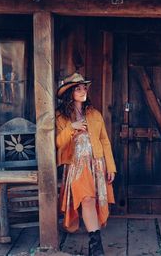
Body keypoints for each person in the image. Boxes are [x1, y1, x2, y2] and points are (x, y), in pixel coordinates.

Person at [55, 72, 116, 256]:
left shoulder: (95, 114)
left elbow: (104, 141)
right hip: (76, 164)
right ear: (70, 93)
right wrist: (71, 128)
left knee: (94, 201)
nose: (83, 91)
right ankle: (97, 247)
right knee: (87, 199)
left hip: (97, 163)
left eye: (84, 88)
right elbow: (58, 143)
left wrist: (110, 166)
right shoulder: (61, 116)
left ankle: (94, 245)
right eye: (78, 89)